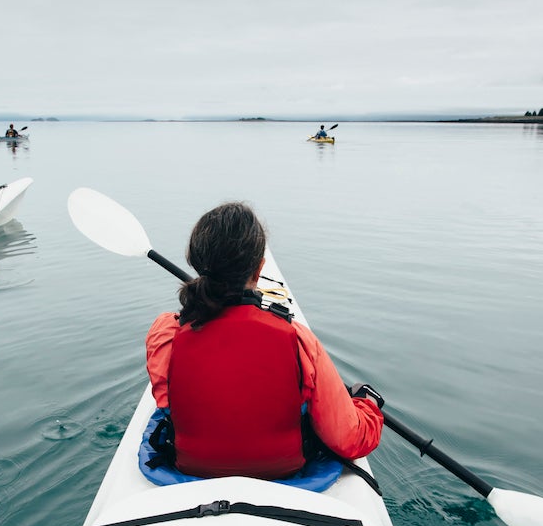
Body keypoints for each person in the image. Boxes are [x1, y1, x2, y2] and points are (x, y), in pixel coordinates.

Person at [144, 202, 383, 479]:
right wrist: (367, 405)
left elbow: (167, 402)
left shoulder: (166, 335)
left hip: (190, 467)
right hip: (283, 471)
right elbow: (350, 440)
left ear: (197, 264)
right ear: (259, 269)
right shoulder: (298, 340)